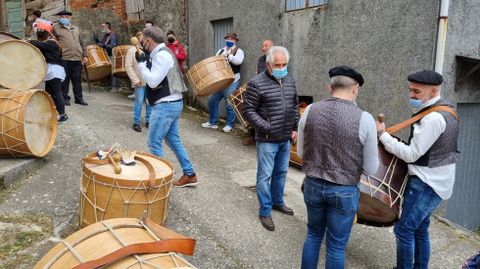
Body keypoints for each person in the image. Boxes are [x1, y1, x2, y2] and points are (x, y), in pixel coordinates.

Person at [376, 70, 459, 269]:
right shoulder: (448, 110)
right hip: (439, 180)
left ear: (432, 92)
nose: (411, 95)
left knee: (403, 230)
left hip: (426, 183)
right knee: (420, 229)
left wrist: (383, 136)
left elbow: (412, 154)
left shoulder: (433, 118)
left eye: (416, 92)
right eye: (410, 90)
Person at [297, 66, 379, 269]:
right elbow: (370, 168)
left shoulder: (309, 110)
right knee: (335, 247)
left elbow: (300, 154)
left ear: (329, 87)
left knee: (313, 235)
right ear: (355, 89)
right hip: (344, 190)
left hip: (313, 184)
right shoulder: (365, 119)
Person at [243, 46, 298, 231]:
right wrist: (267, 127)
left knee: (281, 172)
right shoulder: (256, 83)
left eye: (284, 64)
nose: (281, 67)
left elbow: (295, 105)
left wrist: (295, 128)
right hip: (267, 139)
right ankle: (265, 211)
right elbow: (248, 111)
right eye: (277, 64)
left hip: (285, 137)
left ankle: (277, 202)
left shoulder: (289, 79)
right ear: (268, 64)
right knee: (265, 175)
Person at [136, 26, 197, 187]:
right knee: (173, 140)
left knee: (154, 143)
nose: (142, 44)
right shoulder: (161, 53)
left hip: (166, 106)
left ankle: (161, 182)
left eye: (143, 41)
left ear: (149, 41)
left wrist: (141, 65)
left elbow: (153, 81)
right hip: (171, 104)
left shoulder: (162, 56)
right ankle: (189, 174)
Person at [202, 32, 244, 133]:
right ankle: (213, 122)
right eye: (228, 38)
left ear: (235, 41)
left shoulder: (239, 51)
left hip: (233, 80)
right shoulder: (221, 50)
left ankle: (230, 124)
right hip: (221, 80)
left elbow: (239, 61)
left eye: (232, 39)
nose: (229, 40)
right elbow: (216, 61)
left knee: (230, 102)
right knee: (212, 100)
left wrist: (229, 56)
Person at [29, 22, 68, 122]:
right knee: (49, 93)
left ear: (46, 33)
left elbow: (39, 44)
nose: (38, 34)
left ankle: (63, 115)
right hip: (51, 70)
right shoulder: (48, 43)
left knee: (57, 92)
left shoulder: (52, 43)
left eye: (40, 32)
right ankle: (50, 112)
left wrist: (29, 41)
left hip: (55, 70)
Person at [52, 10, 88, 106]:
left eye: (67, 17)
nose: (65, 18)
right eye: (62, 17)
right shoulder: (55, 28)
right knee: (65, 80)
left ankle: (79, 98)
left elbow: (82, 42)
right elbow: (53, 43)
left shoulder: (76, 28)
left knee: (77, 80)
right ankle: (65, 98)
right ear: (59, 18)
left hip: (77, 58)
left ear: (70, 18)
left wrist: (85, 55)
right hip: (64, 58)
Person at [243, 39, 273, 146]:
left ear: (272, 47)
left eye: (266, 46)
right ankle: (253, 136)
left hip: (270, 90)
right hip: (259, 90)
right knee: (255, 113)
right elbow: (258, 72)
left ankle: (266, 137)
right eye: (263, 46)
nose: (264, 48)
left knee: (266, 115)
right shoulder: (261, 59)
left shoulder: (275, 59)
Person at [126, 32, 151, 132]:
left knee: (150, 102)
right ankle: (136, 122)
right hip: (139, 82)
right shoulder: (131, 50)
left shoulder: (148, 49)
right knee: (139, 102)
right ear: (137, 38)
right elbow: (128, 66)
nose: (143, 38)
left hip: (149, 80)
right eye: (141, 36)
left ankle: (149, 120)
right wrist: (135, 80)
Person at [93, 22, 118, 91]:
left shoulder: (112, 35)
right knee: (107, 71)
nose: (102, 28)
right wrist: (96, 39)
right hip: (106, 55)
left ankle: (113, 87)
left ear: (107, 27)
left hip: (111, 55)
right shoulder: (106, 35)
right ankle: (108, 86)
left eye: (103, 26)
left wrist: (104, 46)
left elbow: (113, 46)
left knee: (112, 72)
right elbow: (101, 44)